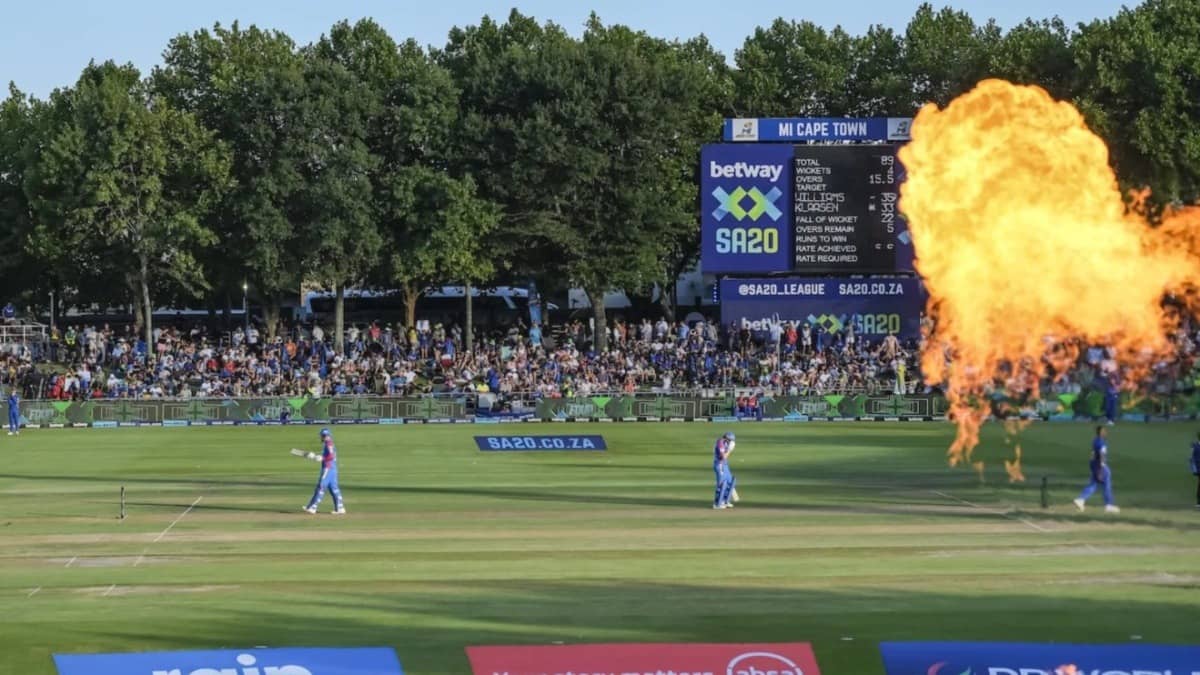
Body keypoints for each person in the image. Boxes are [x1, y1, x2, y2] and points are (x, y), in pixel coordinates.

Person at [1074, 426, 1119, 513]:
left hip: (1094, 464)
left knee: (1093, 485)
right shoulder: (1102, 443)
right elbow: (1102, 455)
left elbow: (1092, 454)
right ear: (1101, 432)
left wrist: (1093, 466)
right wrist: (1101, 468)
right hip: (1100, 466)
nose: (1106, 433)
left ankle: (1081, 499)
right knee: (1107, 485)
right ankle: (1109, 505)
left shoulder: (1095, 441)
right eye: (1105, 431)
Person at [304, 428, 345, 515]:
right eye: (322, 436)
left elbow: (331, 456)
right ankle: (340, 508)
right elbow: (329, 455)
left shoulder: (329, 444)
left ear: (329, 436)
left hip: (328, 468)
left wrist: (322, 458)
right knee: (334, 488)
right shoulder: (329, 443)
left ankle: (313, 507)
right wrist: (317, 456)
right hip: (333, 469)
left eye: (325, 436)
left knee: (321, 486)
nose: (323, 437)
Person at [712, 431, 739, 510]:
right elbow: (723, 457)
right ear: (727, 439)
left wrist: (729, 448)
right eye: (731, 440)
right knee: (722, 483)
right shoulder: (720, 442)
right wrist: (730, 450)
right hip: (719, 465)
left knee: (730, 482)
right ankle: (717, 503)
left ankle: (725, 501)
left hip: (725, 465)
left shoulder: (726, 443)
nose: (731, 442)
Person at [1190, 432, 1200, 510]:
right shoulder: (1196, 446)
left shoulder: (1195, 446)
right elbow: (1192, 458)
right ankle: (1198, 502)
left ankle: (1198, 502)